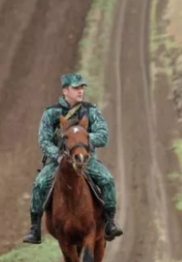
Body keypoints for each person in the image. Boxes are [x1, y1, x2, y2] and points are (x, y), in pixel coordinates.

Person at [22, 72, 124, 244]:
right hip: (59, 161)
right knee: (40, 184)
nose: (81, 91)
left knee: (107, 179)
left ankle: (110, 222)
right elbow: (44, 140)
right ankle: (35, 228)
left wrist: (81, 141)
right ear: (65, 90)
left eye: (82, 87)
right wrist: (58, 155)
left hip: (85, 159)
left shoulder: (91, 111)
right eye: (76, 88)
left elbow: (103, 135)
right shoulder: (51, 113)